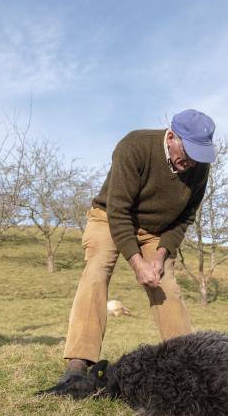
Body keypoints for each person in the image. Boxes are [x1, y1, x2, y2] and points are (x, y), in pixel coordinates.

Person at [61, 109, 216, 379]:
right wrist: (137, 262)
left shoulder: (199, 168)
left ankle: (185, 365)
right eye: (188, 152)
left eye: (198, 155)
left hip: (156, 231)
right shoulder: (134, 146)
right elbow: (118, 211)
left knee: (166, 283)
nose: (191, 162)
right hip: (110, 218)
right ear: (171, 137)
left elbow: (184, 218)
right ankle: (78, 362)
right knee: (97, 269)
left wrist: (160, 256)